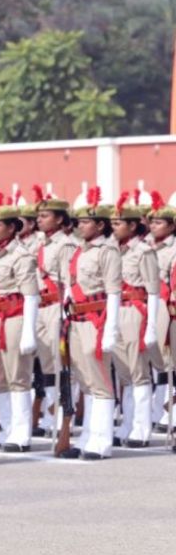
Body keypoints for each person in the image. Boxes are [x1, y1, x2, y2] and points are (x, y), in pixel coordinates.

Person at [64, 196, 122, 461]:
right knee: (86, 382)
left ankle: (102, 440)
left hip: (95, 320)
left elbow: (113, 292)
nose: (81, 225)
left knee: (100, 382)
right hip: (76, 320)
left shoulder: (107, 251)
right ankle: (88, 435)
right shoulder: (79, 250)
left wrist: (110, 330)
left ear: (100, 225)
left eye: (86, 221)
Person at [0, 205, 40, 453]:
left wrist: (29, 330)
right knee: (0, 378)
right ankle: (6, 429)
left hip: (13, 319)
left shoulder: (21, 256)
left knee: (18, 377)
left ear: (11, 227)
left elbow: (31, 295)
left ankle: (21, 433)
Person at [109, 202, 159, 448]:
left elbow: (153, 290)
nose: (114, 227)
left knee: (138, 373)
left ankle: (141, 428)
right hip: (115, 310)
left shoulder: (143, 251)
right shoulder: (112, 249)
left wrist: (151, 326)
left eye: (118, 223)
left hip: (135, 311)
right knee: (124, 373)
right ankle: (127, 425)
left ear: (132, 225)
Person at [33, 196, 77, 446]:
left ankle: (65, 415)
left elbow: (69, 281)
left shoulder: (65, 246)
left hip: (56, 306)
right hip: (41, 307)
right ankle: (51, 413)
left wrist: (64, 311)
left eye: (45, 216)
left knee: (62, 363)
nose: (40, 220)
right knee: (47, 364)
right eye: (39, 216)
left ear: (60, 219)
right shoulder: (44, 244)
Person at [147, 200, 176, 436]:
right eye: (152, 222)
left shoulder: (173, 249)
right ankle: (156, 409)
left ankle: (168, 412)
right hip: (144, 303)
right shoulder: (145, 247)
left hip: (164, 306)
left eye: (158, 222)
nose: (153, 226)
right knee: (151, 359)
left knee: (168, 361)